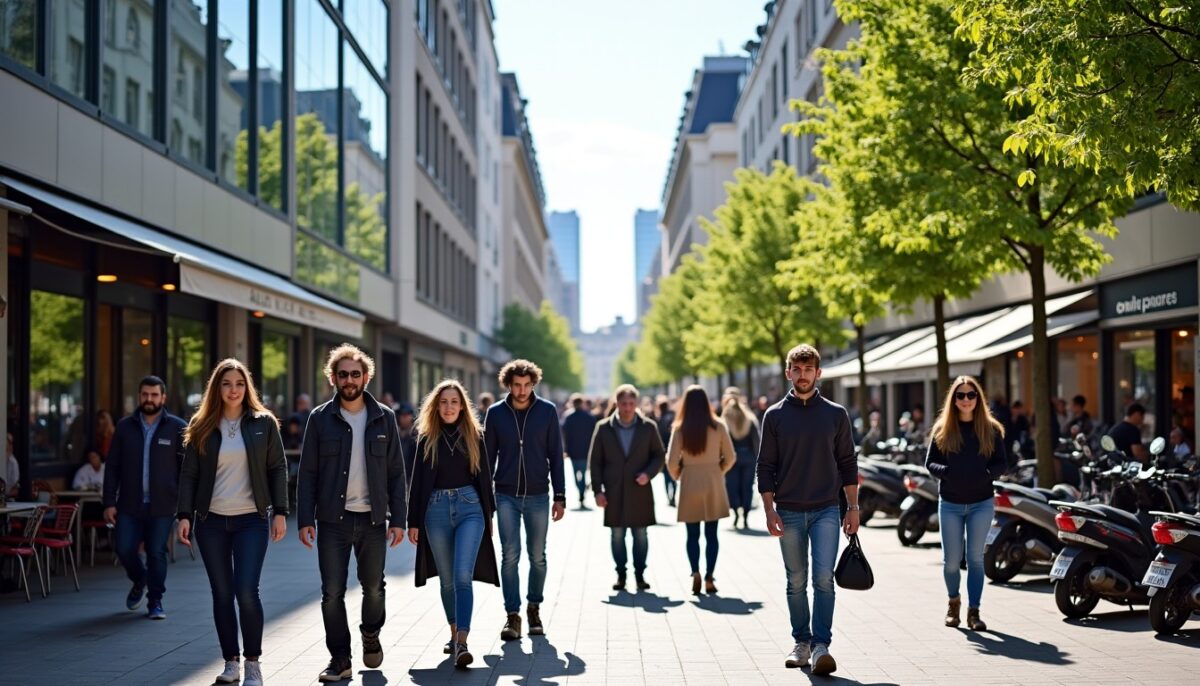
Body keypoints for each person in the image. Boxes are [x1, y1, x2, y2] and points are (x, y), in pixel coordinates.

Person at [296, 344, 408, 682]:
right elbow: (308, 473)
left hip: (373, 520)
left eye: (355, 374)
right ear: (333, 377)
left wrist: (399, 520)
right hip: (333, 520)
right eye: (342, 374)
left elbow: (396, 473)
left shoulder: (384, 417)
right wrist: (304, 519)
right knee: (332, 593)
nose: (348, 380)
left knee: (374, 587)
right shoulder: (319, 419)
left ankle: (370, 633)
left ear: (366, 377)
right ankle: (340, 658)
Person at [177, 359, 289, 686]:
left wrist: (280, 511)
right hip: (210, 522)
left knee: (246, 591)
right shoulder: (201, 425)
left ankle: (253, 663)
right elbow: (189, 475)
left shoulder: (263, 423)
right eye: (226, 383)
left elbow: (277, 468)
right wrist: (184, 515)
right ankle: (231, 662)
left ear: (247, 387)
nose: (233, 389)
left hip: (251, 521)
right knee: (222, 594)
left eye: (239, 383)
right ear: (217, 387)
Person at [757, 344, 859, 676]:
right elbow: (765, 466)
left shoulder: (835, 414)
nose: (803, 375)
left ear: (818, 372)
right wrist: (769, 510)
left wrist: (853, 507)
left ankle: (821, 647)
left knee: (823, 579)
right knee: (796, 580)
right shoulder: (774, 415)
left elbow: (848, 463)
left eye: (808, 369)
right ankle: (801, 642)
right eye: (797, 370)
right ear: (788, 373)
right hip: (787, 511)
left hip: (827, 509)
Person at [407, 380, 499, 669]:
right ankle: (453, 631)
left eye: (454, 402)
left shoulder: (475, 435)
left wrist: (489, 515)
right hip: (434, 510)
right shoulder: (425, 438)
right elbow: (417, 482)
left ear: (462, 406)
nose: (449, 407)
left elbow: (484, 479)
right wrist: (412, 521)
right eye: (444, 402)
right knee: (447, 580)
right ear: (436, 406)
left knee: (461, 575)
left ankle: (462, 641)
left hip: (470, 507)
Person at [484, 359, 566, 640]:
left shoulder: (547, 411)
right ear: (509, 384)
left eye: (526, 385)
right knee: (509, 556)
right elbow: (486, 458)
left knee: (538, 557)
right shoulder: (495, 413)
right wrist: (486, 501)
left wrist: (560, 495)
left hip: (538, 495)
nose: (521, 390)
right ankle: (512, 615)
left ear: (533, 384)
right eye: (516, 385)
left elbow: (555, 454)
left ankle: (534, 607)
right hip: (505, 494)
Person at [925, 375, 1008, 633]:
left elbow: (1001, 463)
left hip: (981, 503)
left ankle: (974, 611)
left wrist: (985, 475)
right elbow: (930, 463)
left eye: (970, 395)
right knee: (951, 561)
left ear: (978, 398)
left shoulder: (991, 429)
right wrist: (947, 472)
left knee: (974, 558)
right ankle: (953, 602)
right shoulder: (943, 428)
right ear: (954, 399)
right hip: (950, 503)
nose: (965, 400)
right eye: (960, 395)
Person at [102, 375, 187, 620]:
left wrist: (183, 507)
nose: (149, 399)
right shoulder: (124, 427)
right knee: (125, 548)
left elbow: (186, 470)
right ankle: (140, 579)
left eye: (154, 395)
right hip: (129, 504)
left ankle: (155, 601)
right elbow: (112, 467)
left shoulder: (178, 427)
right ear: (139, 396)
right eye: (145, 395)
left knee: (156, 552)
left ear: (163, 397)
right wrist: (109, 502)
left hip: (163, 505)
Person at [589, 384, 665, 591]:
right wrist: (597, 491)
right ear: (617, 403)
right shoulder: (604, 428)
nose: (628, 408)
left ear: (637, 404)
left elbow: (659, 454)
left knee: (641, 535)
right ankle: (621, 574)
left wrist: (648, 474)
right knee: (617, 535)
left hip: (639, 490)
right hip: (613, 491)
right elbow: (595, 461)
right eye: (623, 403)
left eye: (631, 403)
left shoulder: (648, 427)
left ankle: (640, 574)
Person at [668, 385, 736, 595]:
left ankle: (695, 571)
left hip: (690, 479)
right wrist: (719, 470)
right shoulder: (718, 426)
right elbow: (731, 456)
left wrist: (680, 474)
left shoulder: (680, 429)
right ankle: (709, 576)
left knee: (692, 534)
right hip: (713, 479)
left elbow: (671, 462)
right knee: (712, 534)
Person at [720, 391, 759, 529]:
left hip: (732, 458)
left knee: (733, 487)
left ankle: (736, 513)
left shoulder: (725, 419)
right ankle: (746, 516)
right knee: (747, 487)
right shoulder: (749, 418)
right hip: (748, 458)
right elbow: (756, 441)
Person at [561, 393, 598, 508]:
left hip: (573, 451)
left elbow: (565, 435)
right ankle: (582, 491)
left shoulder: (568, 417)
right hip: (586, 450)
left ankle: (581, 491)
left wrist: (565, 449)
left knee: (576, 473)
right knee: (583, 472)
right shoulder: (589, 417)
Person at [655, 397, 678, 507]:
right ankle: (673, 495)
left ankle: (669, 497)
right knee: (673, 474)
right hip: (674, 449)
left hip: (663, 450)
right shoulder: (673, 416)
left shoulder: (658, 419)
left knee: (666, 476)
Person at [396, 403, 418, 483]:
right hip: (397, 478)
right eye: (402, 415)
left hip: (412, 480)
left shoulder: (417, 436)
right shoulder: (394, 434)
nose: (404, 418)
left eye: (407, 415)